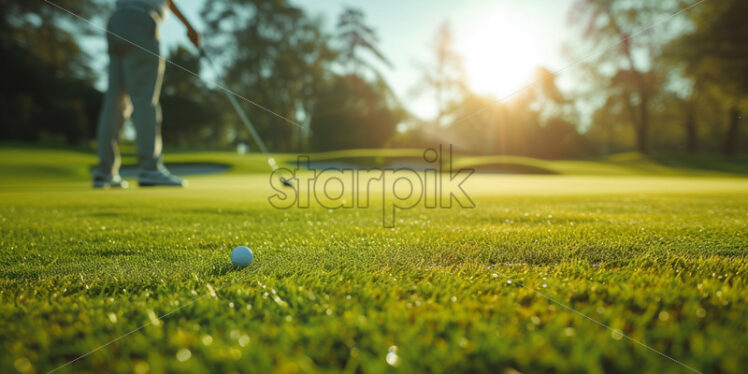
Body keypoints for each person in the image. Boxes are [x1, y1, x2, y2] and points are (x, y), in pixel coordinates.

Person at [93, 0, 200, 188]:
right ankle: (150, 169)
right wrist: (190, 28)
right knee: (144, 98)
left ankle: (105, 171)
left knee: (114, 101)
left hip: (117, 20)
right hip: (141, 19)